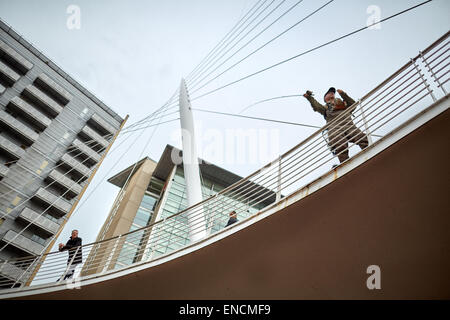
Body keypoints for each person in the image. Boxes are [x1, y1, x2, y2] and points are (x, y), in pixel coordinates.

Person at [303, 87, 369, 163]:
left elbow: (353, 104)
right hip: (335, 129)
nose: (332, 93)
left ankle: (369, 151)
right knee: (340, 146)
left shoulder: (344, 104)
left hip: (349, 125)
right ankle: (345, 163)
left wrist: (343, 94)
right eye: (329, 93)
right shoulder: (325, 108)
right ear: (325, 98)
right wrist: (309, 97)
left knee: (361, 138)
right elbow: (316, 106)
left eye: (333, 93)